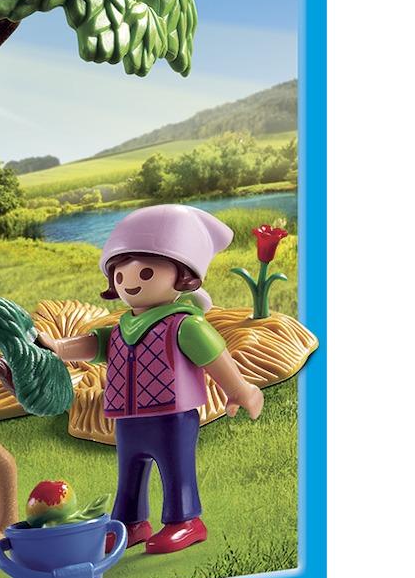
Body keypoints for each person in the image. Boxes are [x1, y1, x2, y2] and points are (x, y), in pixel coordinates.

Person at [39, 205, 264, 555]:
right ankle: (130, 523)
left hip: (172, 416)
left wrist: (240, 389)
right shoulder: (122, 328)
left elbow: (215, 357)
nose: (129, 282)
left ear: (183, 275)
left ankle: (185, 521)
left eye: (146, 272)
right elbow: (94, 344)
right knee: (129, 471)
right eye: (120, 275)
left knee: (176, 468)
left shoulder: (185, 325)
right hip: (128, 418)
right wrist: (58, 348)